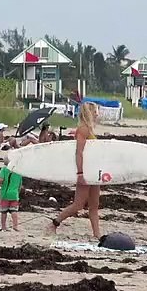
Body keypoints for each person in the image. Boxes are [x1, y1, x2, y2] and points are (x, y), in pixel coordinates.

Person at [48, 102, 102, 240]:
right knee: (78, 204)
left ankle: (97, 235)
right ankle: (54, 223)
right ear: (90, 113)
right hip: (85, 171)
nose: (97, 113)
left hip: (94, 171)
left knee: (94, 206)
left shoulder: (89, 129)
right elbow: (79, 153)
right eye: (95, 111)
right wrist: (80, 173)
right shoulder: (83, 129)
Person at [0, 159, 23, 231]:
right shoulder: (19, 171)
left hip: (5, 194)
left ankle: (4, 227)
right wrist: (18, 193)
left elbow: (0, 180)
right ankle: (15, 226)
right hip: (14, 194)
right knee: (14, 211)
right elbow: (20, 185)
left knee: (4, 212)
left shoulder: (4, 169)